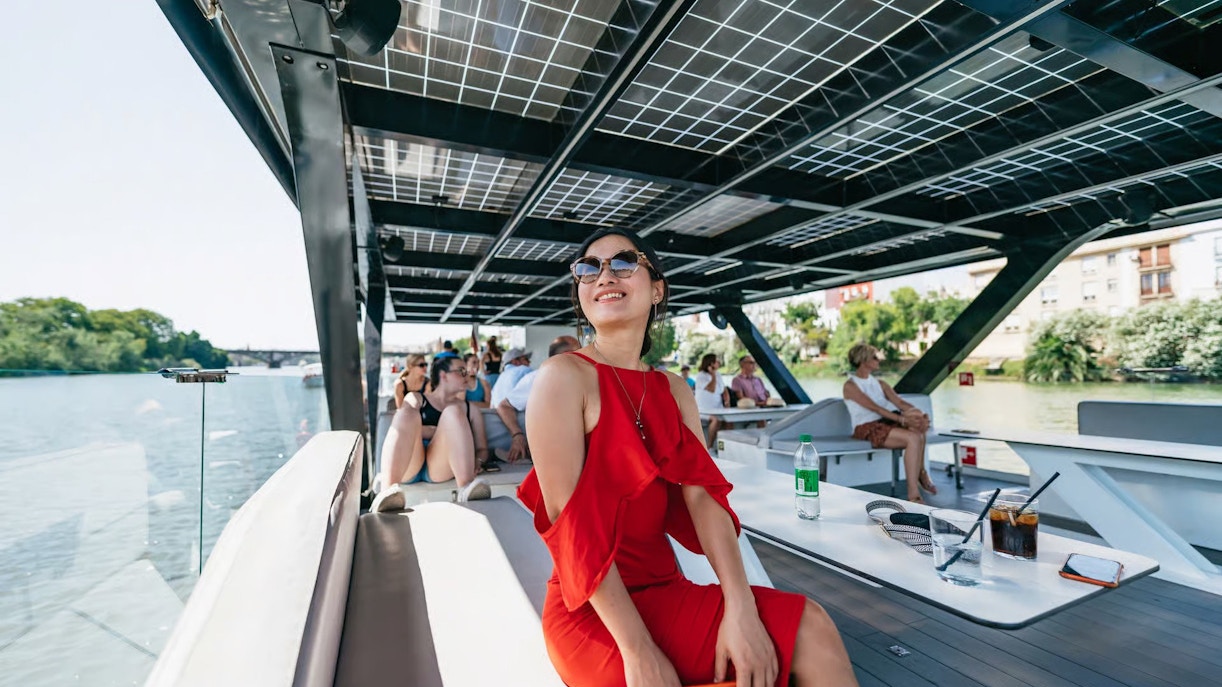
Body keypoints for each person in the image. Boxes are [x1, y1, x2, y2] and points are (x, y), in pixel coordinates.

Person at [517, 227, 857, 687]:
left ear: (657, 289)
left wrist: (740, 604)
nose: (604, 276)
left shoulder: (674, 389)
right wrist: (638, 649)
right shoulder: (563, 377)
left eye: (623, 262)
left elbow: (703, 499)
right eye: (588, 268)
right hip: (596, 611)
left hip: (665, 588)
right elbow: (567, 522)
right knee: (798, 639)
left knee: (808, 626)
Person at [373, 355, 495, 512]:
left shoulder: (471, 409)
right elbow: (404, 424)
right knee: (406, 411)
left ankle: (465, 487)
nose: (467, 375)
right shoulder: (417, 398)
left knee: (453, 412)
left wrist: (478, 461)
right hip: (410, 460)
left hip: (441, 465)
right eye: (461, 371)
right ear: (443, 375)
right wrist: (444, 432)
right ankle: (387, 491)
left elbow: (482, 448)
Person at [842, 342, 936, 504]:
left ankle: (921, 472)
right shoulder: (850, 386)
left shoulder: (880, 384)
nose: (879, 360)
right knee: (913, 437)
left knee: (918, 423)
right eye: (874, 357)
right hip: (867, 426)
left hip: (886, 421)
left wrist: (920, 415)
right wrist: (903, 419)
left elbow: (900, 403)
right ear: (863, 360)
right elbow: (875, 408)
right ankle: (914, 495)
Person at [496, 335, 580, 463]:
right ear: (566, 355)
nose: (584, 358)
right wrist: (517, 436)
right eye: (580, 353)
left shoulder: (579, 379)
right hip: (551, 450)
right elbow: (504, 406)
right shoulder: (536, 377)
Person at [693, 354, 730, 450]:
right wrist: (713, 375)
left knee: (729, 421)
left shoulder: (718, 374)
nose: (719, 363)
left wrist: (727, 400)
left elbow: (724, 389)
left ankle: (726, 447)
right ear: (711, 363)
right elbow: (711, 389)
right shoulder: (701, 376)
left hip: (718, 408)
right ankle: (709, 447)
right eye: (717, 361)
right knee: (715, 420)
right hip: (703, 410)